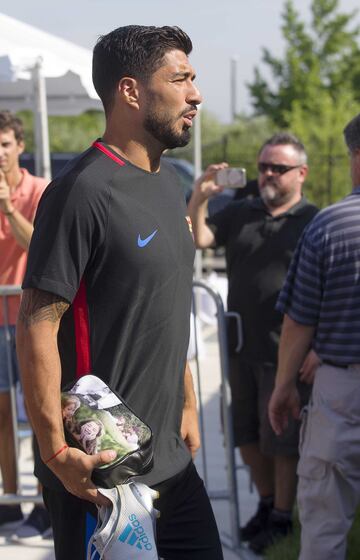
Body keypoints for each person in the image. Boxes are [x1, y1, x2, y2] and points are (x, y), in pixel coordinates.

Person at [16, 25, 223, 560]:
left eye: (193, 79)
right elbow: (37, 323)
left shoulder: (165, 181)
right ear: (130, 91)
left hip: (172, 463)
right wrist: (55, 452)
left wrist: (187, 401)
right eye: (180, 80)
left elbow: (164, 302)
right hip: (102, 473)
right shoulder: (81, 190)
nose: (195, 94)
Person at [188, 132, 319, 553]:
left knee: (280, 438)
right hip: (239, 345)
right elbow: (201, 238)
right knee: (242, 432)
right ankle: (266, 505)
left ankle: (282, 518)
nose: (268, 175)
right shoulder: (242, 211)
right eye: (263, 166)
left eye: (278, 168)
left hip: (286, 350)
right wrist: (200, 196)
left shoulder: (314, 222)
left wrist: (319, 347)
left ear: (301, 173)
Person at [269, 114, 360, 560]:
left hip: (342, 393)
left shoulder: (328, 226)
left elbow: (298, 321)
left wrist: (284, 385)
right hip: (340, 382)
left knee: (325, 528)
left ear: (354, 157)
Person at [0, 110, 51, 539]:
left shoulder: (39, 190)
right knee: (0, 414)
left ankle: (44, 503)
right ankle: (10, 500)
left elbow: (38, 244)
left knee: (38, 412)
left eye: (4, 144)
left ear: (19, 146)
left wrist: (5, 206)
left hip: (29, 317)